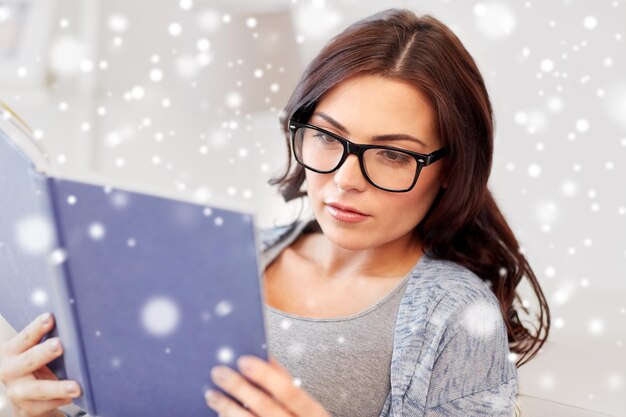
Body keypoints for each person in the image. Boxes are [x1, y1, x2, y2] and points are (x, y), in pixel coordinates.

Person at [0, 8, 550, 417]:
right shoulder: (227, 254)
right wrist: (42, 407)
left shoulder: (457, 318)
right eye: (327, 138)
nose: (343, 178)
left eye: (392, 154)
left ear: (451, 167)